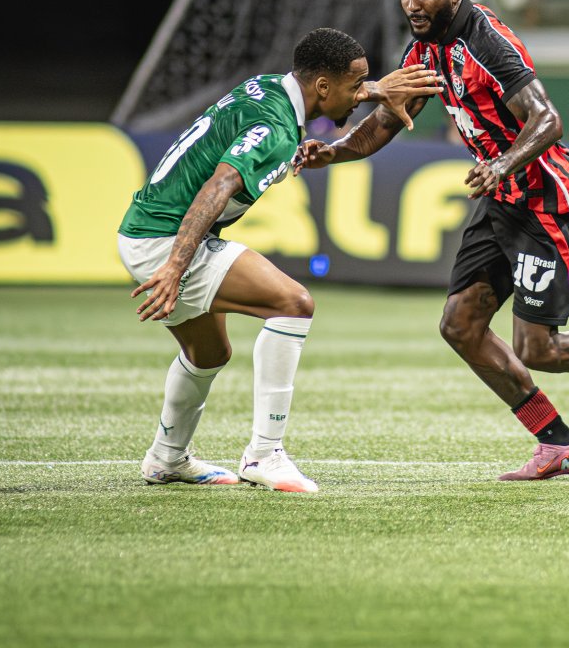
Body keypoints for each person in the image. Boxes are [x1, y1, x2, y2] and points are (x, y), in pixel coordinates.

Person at [294, 0, 569, 481]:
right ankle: (558, 444)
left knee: (538, 348)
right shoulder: (424, 52)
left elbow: (548, 121)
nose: (411, 3)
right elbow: (384, 125)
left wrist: (501, 163)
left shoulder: (489, 44)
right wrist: (331, 154)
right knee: (460, 325)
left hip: (547, 199)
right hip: (501, 198)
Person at [119, 28, 441, 492]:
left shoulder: (270, 87)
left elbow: (318, 99)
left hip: (143, 229)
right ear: (324, 87)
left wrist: (376, 89)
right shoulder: (273, 128)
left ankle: (167, 458)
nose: (362, 97)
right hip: (165, 240)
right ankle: (264, 455)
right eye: (357, 86)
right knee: (293, 303)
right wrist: (173, 266)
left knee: (209, 353)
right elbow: (219, 185)